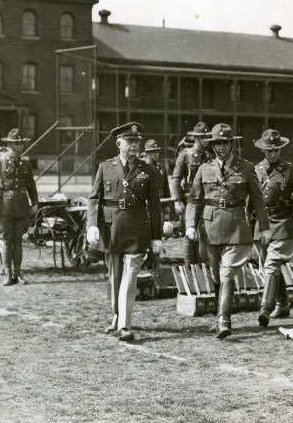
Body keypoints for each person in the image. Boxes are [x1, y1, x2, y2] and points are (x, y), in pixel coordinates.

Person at [185, 124, 269, 338]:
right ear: (212, 145)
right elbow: (194, 200)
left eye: (225, 143)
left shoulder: (246, 168)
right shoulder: (204, 168)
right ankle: (219, 316)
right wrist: (190, 225)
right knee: (216, 274)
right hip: (210, 226)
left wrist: (264, 227)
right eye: (217, 143)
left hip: (236, 226)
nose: (221, 147)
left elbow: (258, 200)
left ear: (232, 144)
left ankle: (224, 319)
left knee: (227, 272)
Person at [86, 123, 163, 343]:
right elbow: (94, 199)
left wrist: (156, 237)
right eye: (129, 141)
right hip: (111, 230)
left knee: (130, 277)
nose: (134, 146)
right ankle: (117, 314)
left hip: (137, 230)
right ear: (119, 143)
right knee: (115, 277)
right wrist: (92, 225)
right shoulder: (105, 167)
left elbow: (155, 207)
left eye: (137, 141)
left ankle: (124, 325)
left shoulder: (147, 170)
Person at [253, 129, 293, 326]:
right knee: (269, 266)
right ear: (263, 151)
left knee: (271, 265)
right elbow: (250, 200)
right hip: (262, 225)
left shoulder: (291, 172)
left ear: (280, 150)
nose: (273, 154)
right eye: (269, 150)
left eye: (276, 150)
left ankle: (265, 308)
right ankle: (283, 304)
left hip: (283, 224)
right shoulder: (256, 170)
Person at [0, 128, 39, 286]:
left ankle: (18, 273)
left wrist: (35, 202)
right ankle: (8, 274)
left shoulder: (26, 162)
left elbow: (31, 184)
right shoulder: (0, 160)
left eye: (21, 143)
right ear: (9, 144)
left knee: (18, 241)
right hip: (6, 205)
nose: (20, 146)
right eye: (17, 143)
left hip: (22, 205)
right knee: (7, 241)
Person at [170, 122, 211, 265]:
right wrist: (177, 201)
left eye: (207, 137)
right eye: (203, 137)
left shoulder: (209, 156)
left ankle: (201, 265)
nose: (206, 140)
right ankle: (188, 266)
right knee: (189, 234)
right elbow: (176, 178)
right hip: (189, 200)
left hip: (206, 199)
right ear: (196, 138)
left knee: (204, 234)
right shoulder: (185, 154)